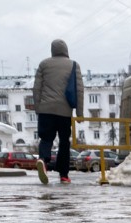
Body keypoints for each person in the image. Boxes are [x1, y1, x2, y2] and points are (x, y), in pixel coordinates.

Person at [33, 39, 83, 184]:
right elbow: (79, 90)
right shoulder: (74, 65)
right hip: (64, 111)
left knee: (46, 138)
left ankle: (43, 160)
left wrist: (38, 107)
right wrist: (79, 113)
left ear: (52, 50)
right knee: (64, 142)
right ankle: (64, 174)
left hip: (46, 110)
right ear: (66, 50)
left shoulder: (44, 64)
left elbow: (36, 88)